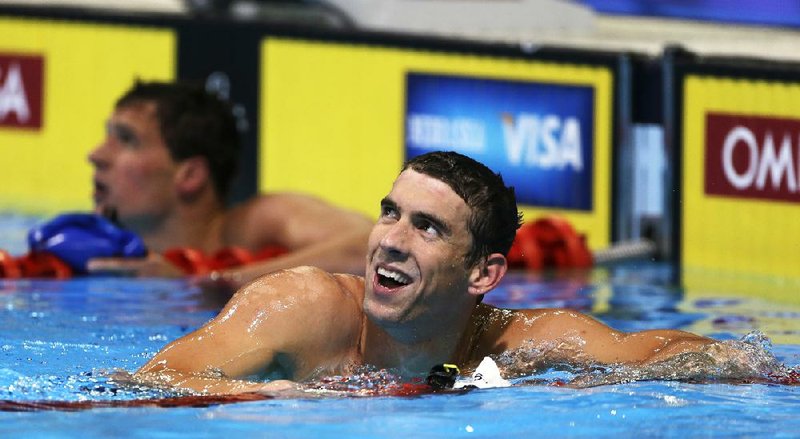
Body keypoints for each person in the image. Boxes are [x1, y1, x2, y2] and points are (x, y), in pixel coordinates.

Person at [128, 151, 764, 395]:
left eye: (428, 227)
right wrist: (287, 398)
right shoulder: (306, 306)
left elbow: (665, 353)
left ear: (483, 274)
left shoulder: (510, 344)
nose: (390, 243)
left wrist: (751, 364)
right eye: (390, 214)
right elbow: (155, 378)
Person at [86, 81, 372, 281]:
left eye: (126, 140)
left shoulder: (257, 224)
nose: (96, 155)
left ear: (191, 175)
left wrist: (203, 286)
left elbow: (371, 247)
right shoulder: (95, 254)